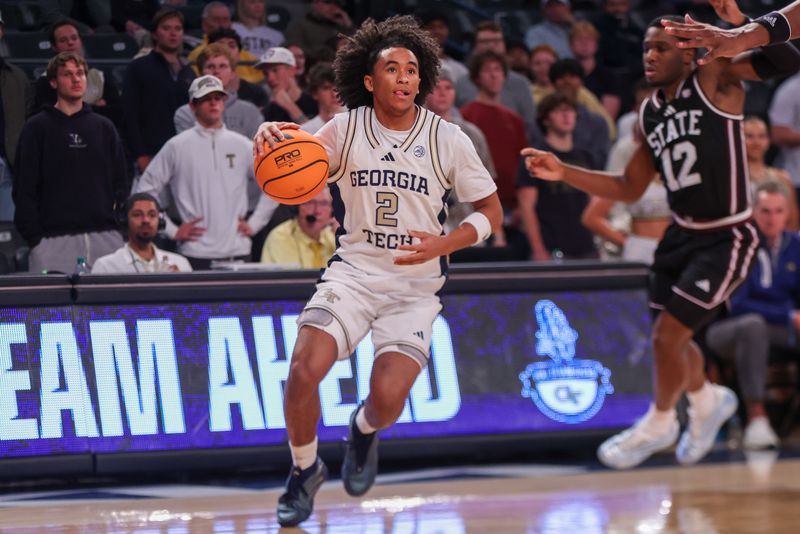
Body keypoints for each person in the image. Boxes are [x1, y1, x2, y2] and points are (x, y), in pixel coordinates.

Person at [521, 0, 800, 470]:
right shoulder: (650, 112)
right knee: (671, 339)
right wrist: (564, 171)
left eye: (661, 48)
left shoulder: (716, 78)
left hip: (726, 234)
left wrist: (735, 28)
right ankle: (708, 400)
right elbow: (629, 186)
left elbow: (789, 58)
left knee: (668, 338)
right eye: (646, 48)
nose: (649, 56)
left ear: (689, 53)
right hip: (680, 236)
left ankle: (662, 420)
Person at [253, 15, 502, 527]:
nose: (406, 77)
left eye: (413, 69)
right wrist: (270, 134)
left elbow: (492, 212)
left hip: (415, 286)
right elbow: (297, 154)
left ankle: (363, 431)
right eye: (393, 68)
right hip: (355, 273)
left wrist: (447, 241)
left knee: (387, 402)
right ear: (370, 81)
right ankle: (304, 471)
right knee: (302, 371)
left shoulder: (447, 138)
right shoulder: (346, 128)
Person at [135, 75, 276, 270]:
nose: (213, 103)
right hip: (194, 253)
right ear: (193, 106)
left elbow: (275, 183)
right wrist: (171, 230)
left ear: (224, 102)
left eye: (218, 98)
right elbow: (144, 191)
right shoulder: (177, 146)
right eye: (206, 98)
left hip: (238, 249)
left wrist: (256, 223)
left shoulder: (243, 145)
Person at [705, 180, 798, 451]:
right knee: (753, 326)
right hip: (727, 330)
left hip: (782, 330)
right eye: (765, 211)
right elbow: (739, 304)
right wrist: (789, 315)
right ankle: (757, 418)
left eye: (778, 211)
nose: (772, 219)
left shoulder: (796, 246)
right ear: (753, 213)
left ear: (788, 213)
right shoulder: (738, 247)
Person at [14, 52, 126, 274]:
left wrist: (117, 229)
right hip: (52, 241)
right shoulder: (36, 128)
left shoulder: (104, 127)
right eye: (68, 74)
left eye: (80, 73)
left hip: (106, 239)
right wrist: (37, 240)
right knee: (52, 310)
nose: (76, 79)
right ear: (54, 82)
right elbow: (24, 189)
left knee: (109, 309)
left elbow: (120, 183)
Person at [517, 92, 597, 261]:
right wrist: (538, 248)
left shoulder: (586, 156)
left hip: (587, 245)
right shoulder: (535, 157)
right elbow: (526, 207)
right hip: (552, 246)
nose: (566, 115)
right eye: (559, 111)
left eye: (570, 110)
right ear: (546, 119)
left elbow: (595, 201)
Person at [122, 8, 195, 175]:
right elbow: (129, 115)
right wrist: (140, 155)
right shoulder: (138, 68)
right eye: (166, 28)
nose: (173, 33)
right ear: (154, 34)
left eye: (177, 29)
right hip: (151, 155)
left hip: (185, 157)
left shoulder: (189, 72)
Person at [35, 19, 123, 129]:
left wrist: (75, 107)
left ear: (80, 41)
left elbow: (117, 112)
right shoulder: (46, 80)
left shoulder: (100, 77)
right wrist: (95, 107)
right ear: (54, 47)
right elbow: (55, 116)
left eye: (74, 38)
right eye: (63, 40)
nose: (70, 43)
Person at [174, 43, 262, 139]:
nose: (216, 71)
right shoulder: (186, 113)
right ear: (200, 73)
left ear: (233, 73)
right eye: (210, 66)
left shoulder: (251, 112)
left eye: (222, 66)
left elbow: (256, 150)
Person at [92, 192, 192, 273]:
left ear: (160, 221)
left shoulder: (181, 264)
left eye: (152, 215)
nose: (146, 220)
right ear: (125, 221)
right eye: (137, 215)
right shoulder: (105, 267)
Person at [743, 116, 798, 230]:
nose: (756, 142)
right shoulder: (731, 179)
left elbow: (792, 222)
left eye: (761, 136)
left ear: (768, 141)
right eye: (749, 136)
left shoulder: (783, 179)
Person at [261, 188, 335, 268]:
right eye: (310, 203)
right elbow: (290, 278)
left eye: (324, 203)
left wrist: (342, 238)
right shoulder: (281, 237)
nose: (317, 211)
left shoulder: (334, 236)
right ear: (296, 207)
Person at [257, 46, 318, 123]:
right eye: (266, 73)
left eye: (275, 70)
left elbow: (318, 134)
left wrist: (290, 107)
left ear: (292, 70)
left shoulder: (316, 102)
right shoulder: (268, 112)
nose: (270, 78)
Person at [300, 63, 345, 135]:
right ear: (315, 93)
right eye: (326, 88)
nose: (335, 94)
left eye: (338, 87)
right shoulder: (305, 132)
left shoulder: (357, 122)